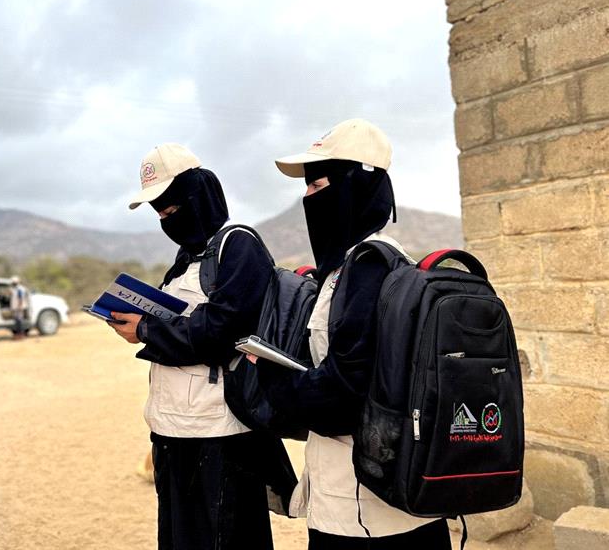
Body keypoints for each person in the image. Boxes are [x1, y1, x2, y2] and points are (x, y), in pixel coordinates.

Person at [251, 119, 452, 549]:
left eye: (317, 183)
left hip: (365, 506)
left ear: (355, 186)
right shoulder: (351, 268)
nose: (308, 197)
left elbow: (343, 394)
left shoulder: (369, 269)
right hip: (366, 493)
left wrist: (272, 376)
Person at [108, 143, 277, 550]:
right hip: (171, 430)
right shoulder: (186, 259)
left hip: (219, 433)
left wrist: (147, 331)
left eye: (171, 209)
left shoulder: (238, 245)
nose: (166, 220)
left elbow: (223, 331)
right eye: (160, 214)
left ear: (199, 196)